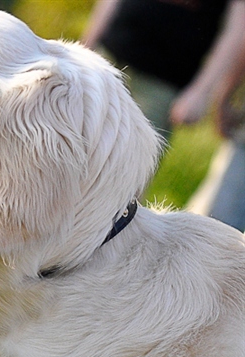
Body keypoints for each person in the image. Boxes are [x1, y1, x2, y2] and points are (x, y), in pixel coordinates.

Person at [83, 0, 245, 230]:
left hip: (162, 84)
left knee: (123, 192)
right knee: (75, 161)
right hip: (108, 58)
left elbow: (237, 30)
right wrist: (86, 45)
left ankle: (95, 259)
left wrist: (201, 92)